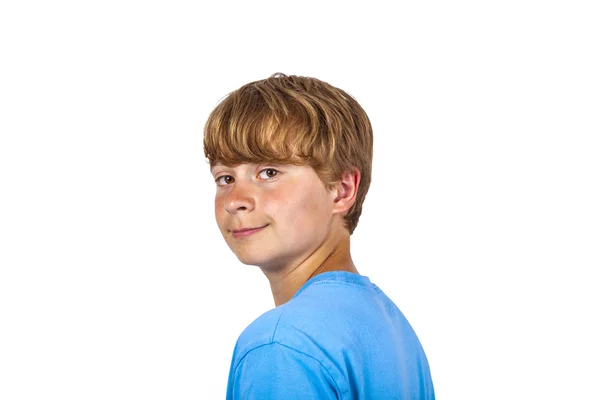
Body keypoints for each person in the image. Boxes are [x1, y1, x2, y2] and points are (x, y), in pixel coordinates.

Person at [203, 73, 435, 399]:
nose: (234, 199)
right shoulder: (392, 329)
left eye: (269, 172)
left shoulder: (281, 344)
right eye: (225, 177)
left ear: (341, 190)